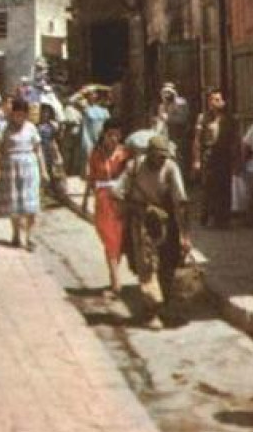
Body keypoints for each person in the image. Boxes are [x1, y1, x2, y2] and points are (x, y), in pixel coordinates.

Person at [112, 134, 190, 329]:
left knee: (168, 263)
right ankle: (152, 310)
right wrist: (133, 209)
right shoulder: (135, 167)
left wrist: (184, 235)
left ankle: (164, 304)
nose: (161, 160)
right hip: (141, 221)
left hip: (166, 221)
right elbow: (116, 193)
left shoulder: (171, 168)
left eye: (165, 156)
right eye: (158, 156)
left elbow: (181, 202)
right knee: (147, 265)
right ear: (149, 154)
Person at [0, 98, 48, 250]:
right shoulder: (4, 128)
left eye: (23, 115)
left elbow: (38, 150)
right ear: (12, 113)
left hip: (30, 168)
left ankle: (29, 237)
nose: (19, 118)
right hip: (11, 169)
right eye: (17, 114)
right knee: (14, 203)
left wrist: (43, 170)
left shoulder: (31, 128)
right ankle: (15, 234)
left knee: (31, 204)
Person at [82, 119, 130, 297]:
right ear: (104, 134)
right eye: (111, 135)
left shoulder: (124, 153)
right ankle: (115, 281)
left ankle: (115, 282)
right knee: (109, 240)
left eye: (118, 135)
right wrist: (85, 200)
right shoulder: (96, 153)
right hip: (103, 201)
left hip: (120, 200)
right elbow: (92, 177)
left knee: (117, 241)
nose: (115, 139)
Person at [192, 89, 235, 229]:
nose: (217, 103)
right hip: (209, 154)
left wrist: (237, 158)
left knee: (224, 186)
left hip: (224, 154)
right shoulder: (203, 118)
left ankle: (223, 219)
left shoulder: (229, 118)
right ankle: (206, 216)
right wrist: (197, 160)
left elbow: (235, 139)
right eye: (213, 100)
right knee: (209, 186)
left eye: (219, 100)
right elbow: (197, 140)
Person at [77, 89, 110, 178]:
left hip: (101, 137)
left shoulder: (104, 111)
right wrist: (82, 92)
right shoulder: (85, 108)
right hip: (88, 137)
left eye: (94, 94)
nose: (93, 96)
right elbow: (73, 100)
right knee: (89, 158)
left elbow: (107, 125)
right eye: (90, 94)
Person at [154, 82, 190, 163]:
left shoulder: (181, 103)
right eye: (165, 93)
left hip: (179, 135)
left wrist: (168, 118)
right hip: (166, 136)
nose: (167, 95)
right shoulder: (162, 106)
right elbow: (160, 122)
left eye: (169, 92)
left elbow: (183, 119)